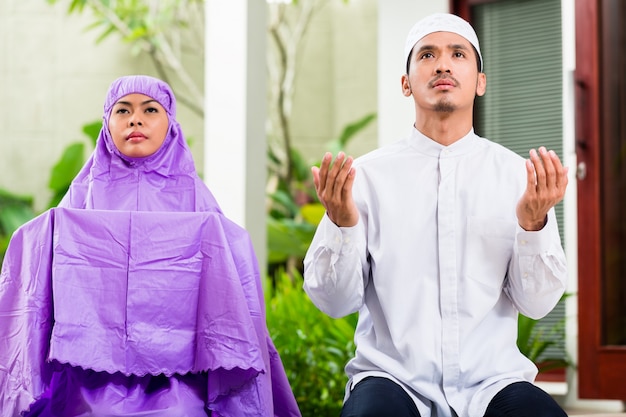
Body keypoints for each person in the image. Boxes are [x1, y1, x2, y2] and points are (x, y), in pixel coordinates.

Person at [303, 13, 569, 417]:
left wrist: (533, 225)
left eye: (458, 54)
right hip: (392, 379)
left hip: (493, 382)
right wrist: (342, 223)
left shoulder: (517, 176)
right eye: (427, 54)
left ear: (480, 81)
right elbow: (336, 303)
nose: (443, 64)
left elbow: (536, 304)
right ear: (406, 83)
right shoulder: (366, 178)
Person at [0, 75, 301, 417]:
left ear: (170, 123)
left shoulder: (193, 195)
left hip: (180, 377)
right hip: (88, 371)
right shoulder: (83, 192)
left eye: (150, 109)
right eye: (123, 110)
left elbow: (227, 265)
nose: (135, 119)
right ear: (107, 123)